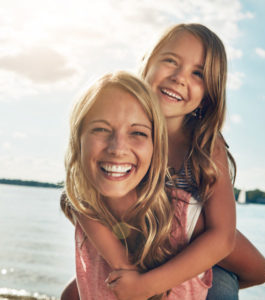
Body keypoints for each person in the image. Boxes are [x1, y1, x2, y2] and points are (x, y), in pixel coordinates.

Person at [61, 23, 265, 300]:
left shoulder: (205, 143)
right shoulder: (121, 124)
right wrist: (125, 269)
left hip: (192, 238)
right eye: (170, 61)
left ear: (209, 93)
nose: (179, 78)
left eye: (198, 73)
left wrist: (154, 284)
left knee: (237, 278)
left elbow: (222, 239)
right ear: (146, 64)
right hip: (138, 237)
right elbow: (80, 194)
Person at [61, 71, 213, 300]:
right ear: (78, 139)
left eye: (138, 133)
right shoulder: (83, 210)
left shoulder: (186, 219)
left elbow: (257, 271)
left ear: (157, 147)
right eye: (101, 129)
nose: (117, 148)